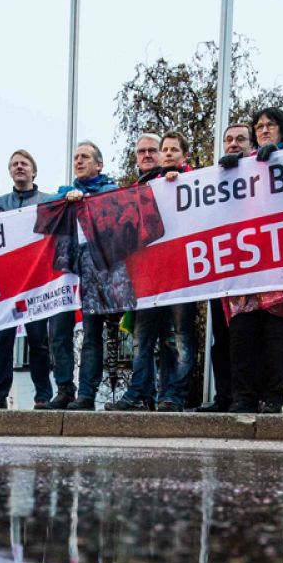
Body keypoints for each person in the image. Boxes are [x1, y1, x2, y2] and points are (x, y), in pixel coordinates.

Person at [221, 107, 283, 413]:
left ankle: (273, 396)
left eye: (271, 125)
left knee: (274, 330)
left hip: (277, 257)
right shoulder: (244, 166)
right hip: (244, 259)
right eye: (260, 126)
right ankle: (244, 396)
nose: (264, 130)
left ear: (282, 130)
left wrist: (280, 158)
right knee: (242, 330)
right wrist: (228, 171)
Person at [0, 150, 74, 409]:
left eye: (24, 164)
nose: (19, 167)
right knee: (3, 341)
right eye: (14, 164)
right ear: (10, 172)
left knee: (38, 342)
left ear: (34, 171)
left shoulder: (48, 201)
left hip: (37, 282)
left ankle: (43, 395)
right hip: (8, 284)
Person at [118, 132, 196, 412]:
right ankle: (139, 392)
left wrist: (180, 181)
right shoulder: (143, 186)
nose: (168, 153)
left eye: (174, 149)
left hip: (181, 276)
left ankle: (174, 395)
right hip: (148, 278)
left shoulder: (197, 182)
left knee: (179, 338)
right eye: (165, 149)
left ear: (184, 155)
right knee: (142, 339)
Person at [54, 140, 121, 410]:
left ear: (99, 164)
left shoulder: (111, 191)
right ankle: (75, 392)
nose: (79, 162)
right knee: (75, 334)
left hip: (106, 273)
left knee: (105, 335)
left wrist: (87, 200)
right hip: (77, 274)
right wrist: (68, 195)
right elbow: (48, 204)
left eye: (85, 157)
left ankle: (94, 394)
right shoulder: (64, 194)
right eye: (76, 158)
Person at [199, 122, 255, 412]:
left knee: (246, 338)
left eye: (240, 139)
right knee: (221, 338)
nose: (233, 144)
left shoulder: (262, 171)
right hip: (220, 269)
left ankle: (247, 397)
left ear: (251, 144)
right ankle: (224, 396)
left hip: (251, 268)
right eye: (228, 139)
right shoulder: (213, 177)